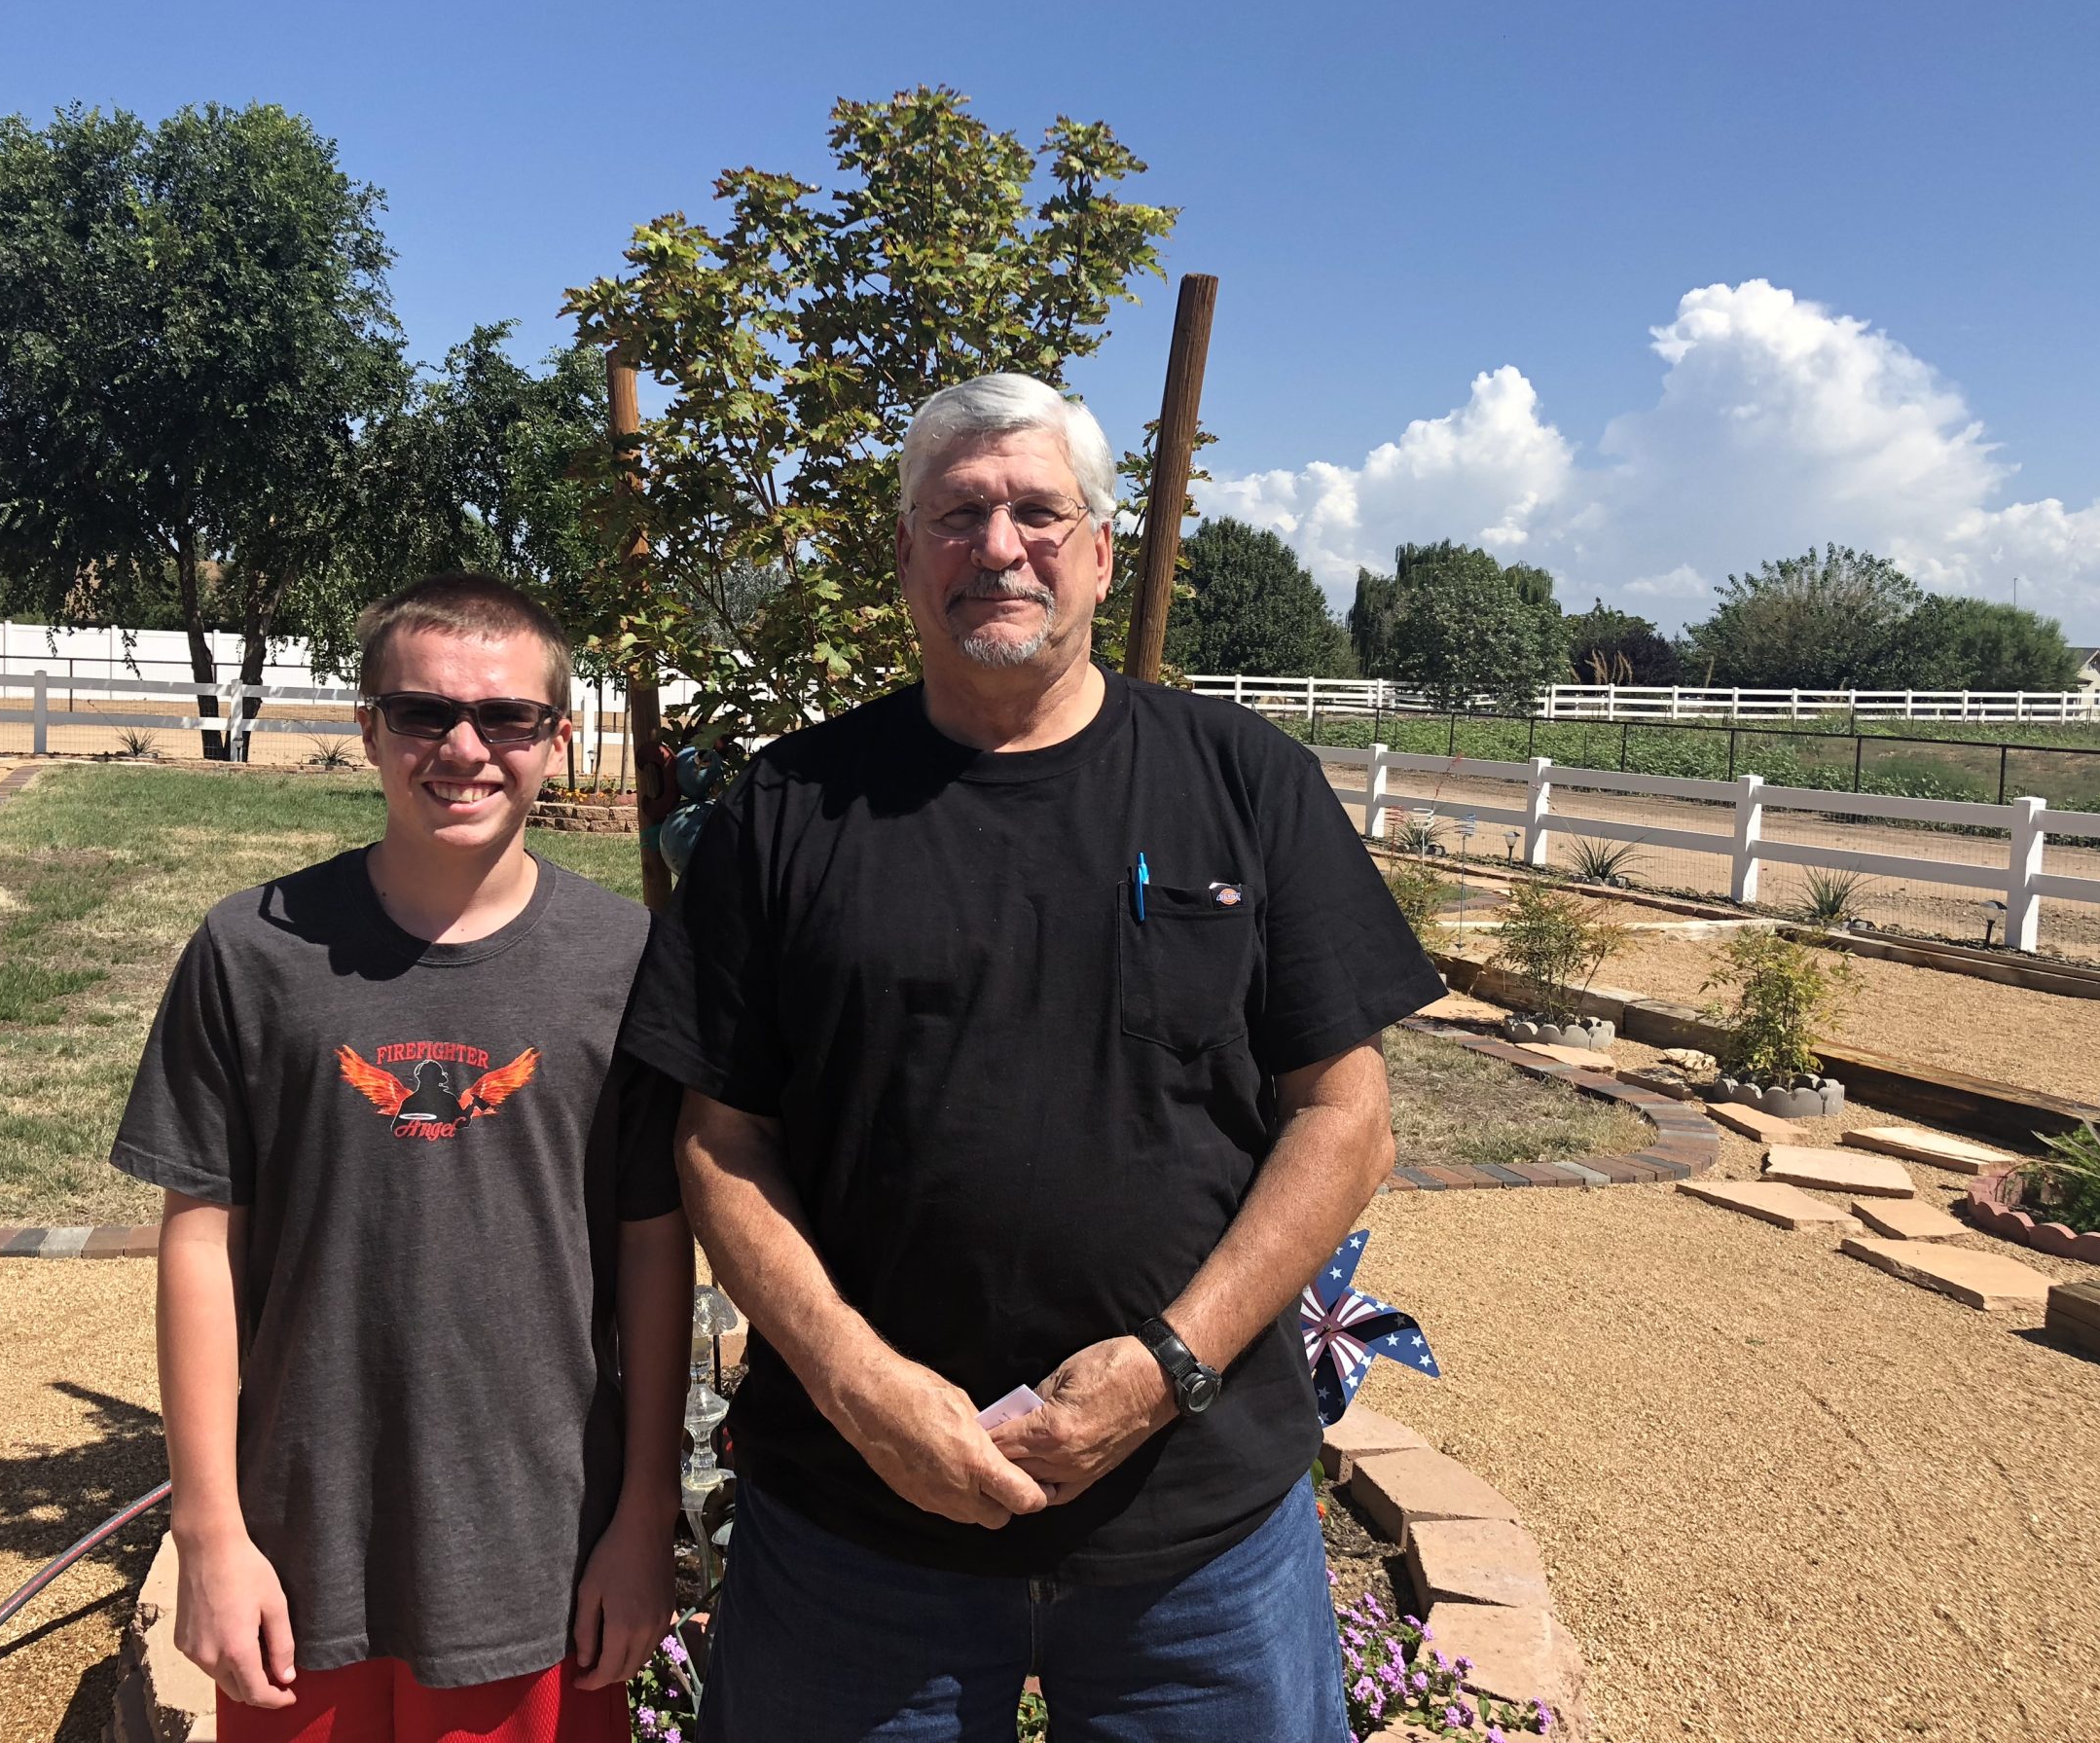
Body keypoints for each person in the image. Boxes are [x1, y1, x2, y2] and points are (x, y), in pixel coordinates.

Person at [622, 373, 1444, 1742]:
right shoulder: (790, 807)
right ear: (905, 556)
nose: (998, 547)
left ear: (1102, 552)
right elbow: (720, 1140)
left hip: (1197, 1540)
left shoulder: (1246, 784)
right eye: (957, 516)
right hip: (854, 1539)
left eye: (1037, 513)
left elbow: (1347, 1118)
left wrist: (1168, 1368)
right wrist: (859, 1386)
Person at [114, 573, 690, 1743]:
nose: (463, 749)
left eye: (507, 717)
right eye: (424, 713)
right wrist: (209, 1531)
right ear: (370, 728)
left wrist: (643, 1519)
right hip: (299, 1550)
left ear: (558, 739)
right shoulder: (252, 950)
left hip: (541, 1549)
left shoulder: (625, 960)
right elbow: (200, 1243)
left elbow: (652, 1251)